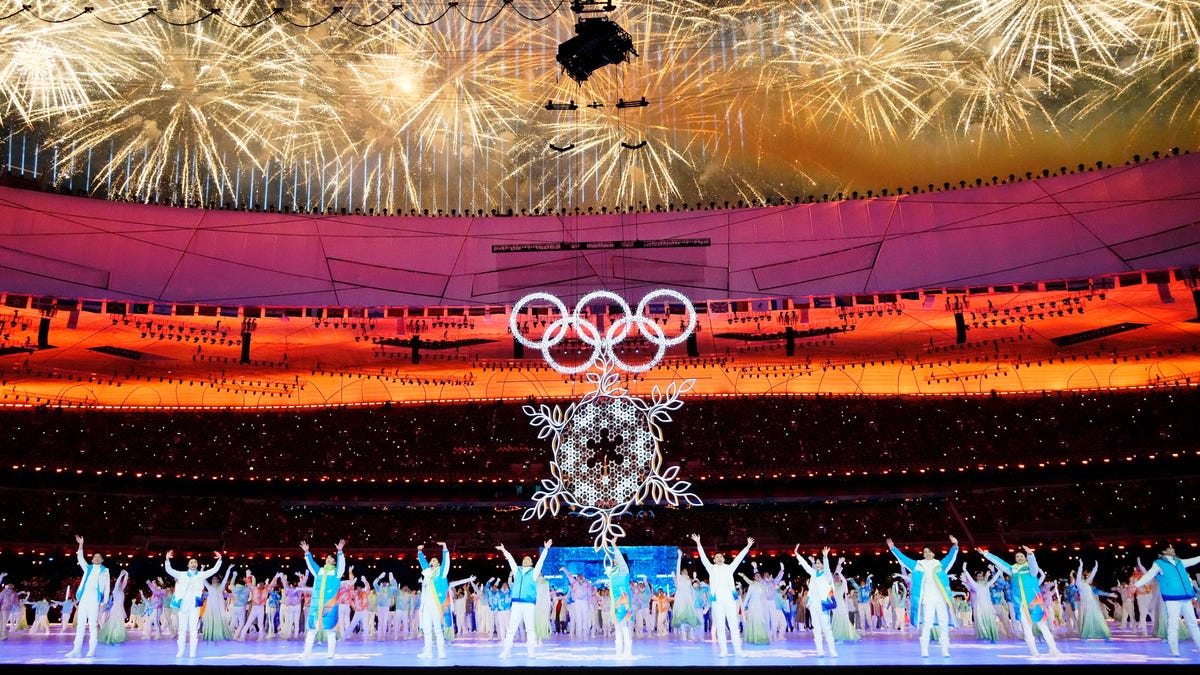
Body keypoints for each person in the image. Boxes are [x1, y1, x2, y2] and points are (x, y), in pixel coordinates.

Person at [980, 545, 1061, 657]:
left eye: (1022, 556)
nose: (1019, 558)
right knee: (1026, 627)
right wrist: (986, 555)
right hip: (1021, 603)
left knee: (1043, 626)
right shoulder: (1012, 569)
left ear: (1025, 557)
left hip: (1035, 601)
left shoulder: (1031, 569)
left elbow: (1034, 565)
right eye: (1017, 556)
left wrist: (1030, 554)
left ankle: (1053, 649)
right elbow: (1000, 563)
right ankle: (1034, 651)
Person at [887, 536, 958, 658]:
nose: (927, 553)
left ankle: (945, 649)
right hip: (927, 598)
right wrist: (893, 549)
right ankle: (924, 649)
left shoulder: (940, 564)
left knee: (943, 623)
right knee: (927, 623)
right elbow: (904, 559)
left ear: (933, 553)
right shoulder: (918, 565)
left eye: (929, 551)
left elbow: (951, 557)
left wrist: (955, 545)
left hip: (940, 598)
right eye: (925, 552)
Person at [1132, 543, 1200, 656]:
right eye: (1169, 547)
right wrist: (1136, 585)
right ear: (1164, 551)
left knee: (1192, 623)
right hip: (1172, 598)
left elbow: (1195, 559)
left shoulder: (1179, 562)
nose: (1172, 548)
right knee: (1173, 624)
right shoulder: (1159, 564)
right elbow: (1149, 575)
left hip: (1186, 597)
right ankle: (1174, 650)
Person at [691, 534, 753, 657]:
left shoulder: (729, 568)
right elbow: (703, 558)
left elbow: (738, 558)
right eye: (716, 557)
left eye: (721, 557)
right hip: (717, 600)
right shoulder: (711, 568)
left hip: (730, 599)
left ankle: (738, 650)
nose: (719, 558)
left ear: (723, 559)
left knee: (734, 625)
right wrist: (698, 543)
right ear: (714, 560)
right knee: (720, 626)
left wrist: (748, 546)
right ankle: (723, 650)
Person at [496, 539, 552, 659]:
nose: (527, 559)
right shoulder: (517, 571)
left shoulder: (534, 572)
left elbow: (541, 562)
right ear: (522, 562)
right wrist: (504, 550)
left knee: (530, 629)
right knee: (511, 628)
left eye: (529, 559)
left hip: (528, 604)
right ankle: (506, 651)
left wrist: (546, 549)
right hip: (516, 603)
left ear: (531, 563)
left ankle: (531, 652)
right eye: (525, 559)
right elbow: (511, 560)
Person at [164, 549, 223, 658]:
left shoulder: (201, 575)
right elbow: (169, 570)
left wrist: (219, 559)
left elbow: (214, 570)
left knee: (193, 628)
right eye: (191, 562)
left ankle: (192, 652)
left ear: (197, 565)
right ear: (188, 564)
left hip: (194, 605)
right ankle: (181, 651)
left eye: (195, 562)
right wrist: (167, 559)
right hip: (183, 604)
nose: (193, 564)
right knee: (182, 629)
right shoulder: (181, 574)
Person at [301, 539, 346, 659]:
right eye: (328, 558)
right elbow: (311, 564)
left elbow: (342, 565)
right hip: (316, 605)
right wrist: (307, 553)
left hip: (329, 606)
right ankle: (306, 653)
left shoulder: (337, 573)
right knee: (311, 630)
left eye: (332, 559)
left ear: (334, 562)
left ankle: (331, 654)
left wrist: (340, 552)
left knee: (330, 631)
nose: (329, 559)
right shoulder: (319, 571)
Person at [66, 535, 110, 658]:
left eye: (99, 557)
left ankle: (92, 650)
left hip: (94, 600)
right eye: (94, 557)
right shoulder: (87, 568)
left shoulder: (105, 571)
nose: (96, 558)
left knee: (92, 625)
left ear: (102, 560)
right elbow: (80, 557)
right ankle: (77, 649)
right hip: (84, 598)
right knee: (80, 624)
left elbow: (107, 588)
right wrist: (81, 544)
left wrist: (105, 601)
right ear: (92, 559)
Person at [794, 545, 836, 657]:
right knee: (816, 628)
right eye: (816, 563)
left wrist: (825, 557)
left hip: (823, 604)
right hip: (813, 604)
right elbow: (805, 566)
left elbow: (827, 569)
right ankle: (820, 651)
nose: (817, 565)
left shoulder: (827, 575)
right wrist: (797, 555)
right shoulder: (813, 574)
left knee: (826, 628)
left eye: (819, 563)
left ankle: (832, 651)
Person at [417, 542, 452, 659]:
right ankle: (428, 652)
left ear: (438, 564)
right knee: (427, 629)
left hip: (436, 604)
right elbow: (423, 563)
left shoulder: (441, 573)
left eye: (434, 561)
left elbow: (446, 563)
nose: (431, 562)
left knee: (438, 629)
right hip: (426, 606)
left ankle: (441, 652)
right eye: (431, 561)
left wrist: (445, 548)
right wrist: (420, 552)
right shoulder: (427, 573)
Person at [960, 563, 1001, 643]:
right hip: (979, 606)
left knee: (990, 620)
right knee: (981, 620)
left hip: (988, 605)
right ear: (976, 578)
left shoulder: (987, 584)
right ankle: (984, 635)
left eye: (981, 576)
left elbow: (994, 579)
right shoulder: (975, 585)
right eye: (978, 576)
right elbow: (969, 578)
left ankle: (991, 635)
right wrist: (965, 569)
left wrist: (998, 572)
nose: (980, 577)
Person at [606, 545, 634, 658]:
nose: (614, 559)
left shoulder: (624, 570)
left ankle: (627, 651)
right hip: (615, 601)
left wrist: (615, 548)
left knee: (624, 626)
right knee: (618, 627)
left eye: (616, 558)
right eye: (614, 558)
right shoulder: (613, 572)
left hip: (624, 600)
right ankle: (618, 651)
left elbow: (622, 563)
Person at [1074, 560, 1112, 641]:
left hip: (1093, 603)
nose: (1082, 576)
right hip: (1086, 603)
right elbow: (1078, 575)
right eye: (1080, 575)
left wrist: (1096, 567)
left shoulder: (1086, 583)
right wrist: (1081, 565)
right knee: (1088, 619)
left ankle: (1105, 635)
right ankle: (1085, 636)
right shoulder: (1078, 583)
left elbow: (1092, 575)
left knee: (1099, 618)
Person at [97, 570, 130, 645]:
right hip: (115, 608)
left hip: (121, 608)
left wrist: (127, 574)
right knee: (114, 622)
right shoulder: (115, 591)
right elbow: (118, 582)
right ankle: (113, 637)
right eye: (120, 585)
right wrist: (120, 575)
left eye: (122, 585)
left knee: (120, 623)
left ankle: (118, 636)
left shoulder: (122, 590)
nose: (121, 585)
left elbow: (125, 582)